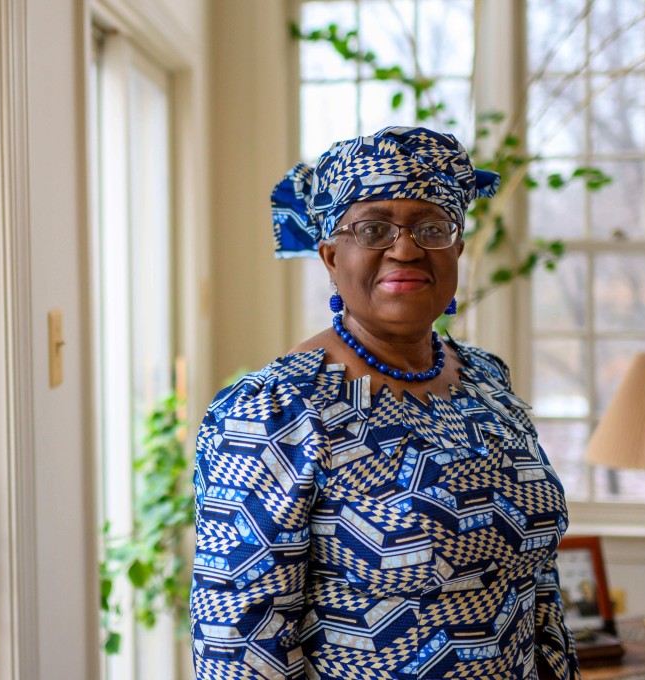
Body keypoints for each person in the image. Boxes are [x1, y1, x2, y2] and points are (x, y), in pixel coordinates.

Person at [189, 126, 581, 679]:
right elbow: (240, 648)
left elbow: (539, 590)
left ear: (457, 249)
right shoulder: (274, 411)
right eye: (373, 228)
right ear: (331, 256)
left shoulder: (486, 381)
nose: (405, 248)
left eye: (431, 228)